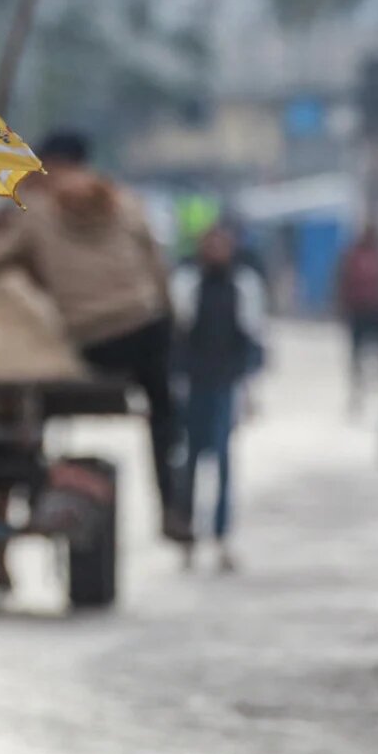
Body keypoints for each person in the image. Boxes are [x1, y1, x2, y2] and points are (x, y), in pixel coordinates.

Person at [0, 131, 190, 543]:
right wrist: (172, 328)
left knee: (35, 403)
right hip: (148, 329)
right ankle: (171, 504)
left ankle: (25, 484)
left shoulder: (37, 213)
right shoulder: (126, 203)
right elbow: (158, 273)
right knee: (165, 416)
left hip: (97, 341)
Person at [170, 226, 268, 573]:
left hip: (227, 386)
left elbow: (253, 337)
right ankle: (188, 537)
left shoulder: (244, 285)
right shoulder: (187, 283)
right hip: (193, 385)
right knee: (190, 462)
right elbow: (177, 335)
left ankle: (222, 537)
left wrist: (251, 390)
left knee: (225, 463)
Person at [337, 226, 378, 414]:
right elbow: (341, 281)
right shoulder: (352, 257)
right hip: (359, 311)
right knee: (357, 358)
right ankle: (357, 395)